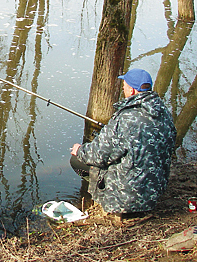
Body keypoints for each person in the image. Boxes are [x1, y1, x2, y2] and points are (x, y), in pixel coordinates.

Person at [70, 68, 176, 215]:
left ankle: (106, 199)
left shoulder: (126, 118)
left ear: (132, 91)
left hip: (127, 200)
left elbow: (99, 155)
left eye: (125, 85)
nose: (123, 88)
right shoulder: (164, 113)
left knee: (76, 160)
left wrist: (79, 150)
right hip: (154, 192)